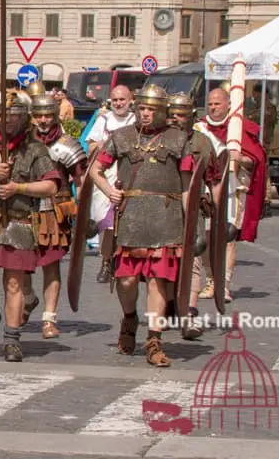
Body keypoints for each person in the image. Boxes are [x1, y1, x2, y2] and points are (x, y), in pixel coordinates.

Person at [88, 84, 193, 367]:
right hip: (131, 217)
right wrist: (109, 189)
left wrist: (190, 219)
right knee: (126, 279)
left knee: (158, 280)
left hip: (166, 218)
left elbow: (187, 185)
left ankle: (155, 340)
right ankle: (130, 319)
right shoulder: (121, 137)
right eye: (143, 109)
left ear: (162, 112)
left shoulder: (179, 140)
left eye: (152, 110)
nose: (146, 114)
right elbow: (95, 170)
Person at [0, 91, 61, 362]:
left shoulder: (35, 150)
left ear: (23, 119)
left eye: (15, 117)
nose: (9, 122)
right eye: (5, 117)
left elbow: (51, 185)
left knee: (15, 283)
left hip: (20, 222)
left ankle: (12, 339)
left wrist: (19, 186)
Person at [193, 87, 266, 303]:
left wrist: (240, 158)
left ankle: (224, 283)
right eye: (211, 104)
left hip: (233, 188)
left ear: (228, 104)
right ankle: (211, 279)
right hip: (207, 188)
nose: (213, 108)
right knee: (205, 236)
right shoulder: (200, 127)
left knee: (227, 236)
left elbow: (256, 160)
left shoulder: (238, 129)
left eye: (218, 103)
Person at [25, 93, 87, 339]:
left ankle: (49, 318)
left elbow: (80, 180)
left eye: (47, 115)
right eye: (38, 115)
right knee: (21, 264)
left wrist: (81, 209)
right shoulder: (24, 143)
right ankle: (28, 298)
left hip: (54, 210)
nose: (43, 120)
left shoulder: (67, 143)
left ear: (55, 115)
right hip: (25, 208)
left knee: (51, 265)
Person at [166, 92, 224, 340]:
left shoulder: (202, 143)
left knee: (194, 260)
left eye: (181, 115)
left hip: (193, 209)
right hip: (163, 209)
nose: (176, 120)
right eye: (172, 115)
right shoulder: (159, 140)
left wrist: (217, 206)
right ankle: (169, 305)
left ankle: (189, 311)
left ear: (190, 116)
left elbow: (215, 178)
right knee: (166, 261)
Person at [84, 85, 136, 283]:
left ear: (130, 100)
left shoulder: (136, 120)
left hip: (127, 173)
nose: (118, 103)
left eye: (122, 100)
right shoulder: (103, 120)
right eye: (115, 100)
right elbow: (91, 145)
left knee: (125, 220)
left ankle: (124, 260)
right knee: (104, 221)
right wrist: (105, 147)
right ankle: (106, 261)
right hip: (105, 173)